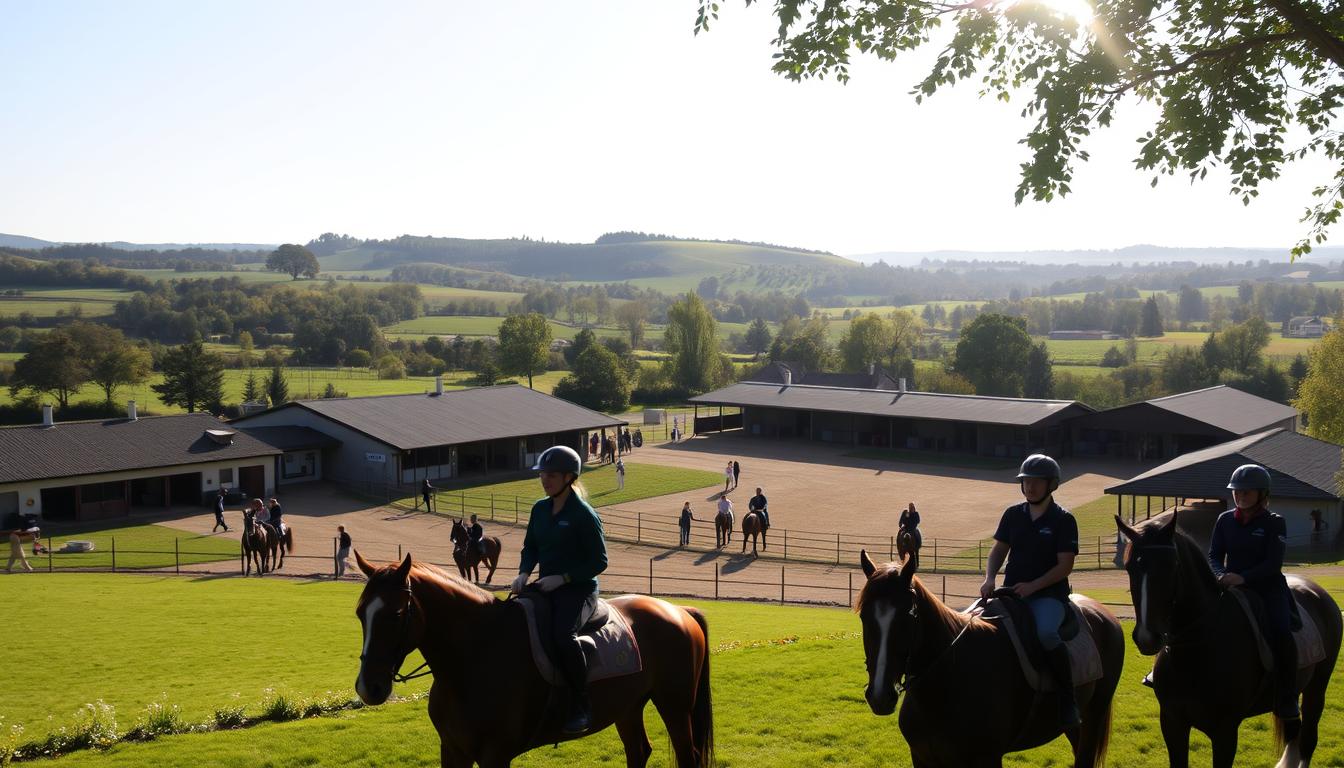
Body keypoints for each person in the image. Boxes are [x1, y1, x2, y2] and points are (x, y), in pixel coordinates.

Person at [510, 445, 608, 735]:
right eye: (542, 474)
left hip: (579, 590)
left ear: (569, 477)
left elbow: (599, 561)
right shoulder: (540, 509)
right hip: (543, 584)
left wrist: (564, 578)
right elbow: (531, 547)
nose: (545, 480)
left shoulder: (584, 514)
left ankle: (581, 704)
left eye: (551, 475)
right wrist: (524, 572)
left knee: (563, 637)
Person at [980, 454, 1081, 730]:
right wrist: (990, 578)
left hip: (1048, 596)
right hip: (1011, 592)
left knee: (1046, 633)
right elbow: (999, 549)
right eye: (1026, 481)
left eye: (1037, 482)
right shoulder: (1013, 514)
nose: (1030, 487)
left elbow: (1065, 566)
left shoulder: (1064, 519)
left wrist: (1033, 587)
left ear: (1052, 485)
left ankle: (1067, 698)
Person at [1208, 463, 1300, 723]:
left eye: (1247, 492)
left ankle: (1287, 695)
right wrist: (1219, 575)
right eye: (1237, 491)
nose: (1240, 496)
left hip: (1267, 588)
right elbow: (1214, 555)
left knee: (1281, 631)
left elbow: (1273, 564)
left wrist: (1244, 577)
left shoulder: (1275, 523)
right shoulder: (1224, 520)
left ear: (1262, 494)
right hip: (1229, 585)